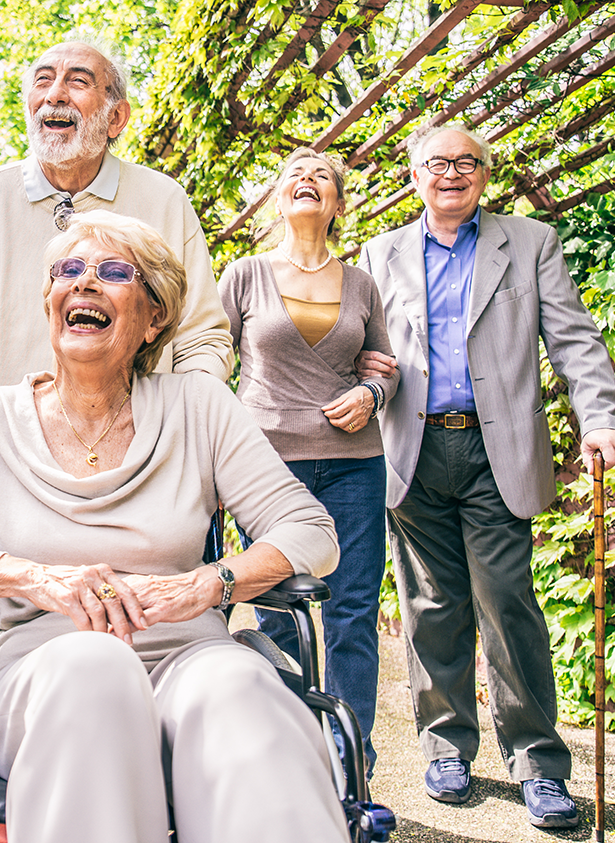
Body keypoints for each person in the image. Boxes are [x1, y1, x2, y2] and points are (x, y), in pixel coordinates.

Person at [0, 210, 346, 843]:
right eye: (68, 272)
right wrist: (31, 578)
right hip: (42, 672)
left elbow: (310, 530)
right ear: (49, 304)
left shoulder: (201, 408)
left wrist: (209, 585)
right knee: (97, 670)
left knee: (242, 686)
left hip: (189, 655)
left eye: (113, 272)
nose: (84, 285)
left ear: (154, 316)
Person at [358, 124, 615, 828]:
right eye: (436, 163)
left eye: (466, 162)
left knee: (508, 604)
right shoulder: (381, 252)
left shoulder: (529, 241)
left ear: (485, 172)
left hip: (495, 449)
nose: (451, 173)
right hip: (412, 448)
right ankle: (446, 745)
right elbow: (364, 350)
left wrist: (599, 414)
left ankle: (538, 761)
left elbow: (573, 336)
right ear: (414, 173)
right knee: (430, 606)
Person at [0, 38, 233, 451]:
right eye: (42, 81)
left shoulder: (164, 200)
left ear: (116, 117)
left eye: (78, 81)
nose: (54, 94)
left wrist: (191, 425)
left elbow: (201, 336)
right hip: (8, 452)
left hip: (140, 452)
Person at [218, 148, 398, 772]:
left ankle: (351, 763)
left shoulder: (362, 284)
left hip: (354, 463)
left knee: (351, 611)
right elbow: (211, 365)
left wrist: (372, 393)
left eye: (322, 175)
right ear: (278, 198)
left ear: (337, 203)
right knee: (278, 606)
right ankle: (289, 754)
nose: (307, 180)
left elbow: (386, 367)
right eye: (294, 173)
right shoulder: (244, 276)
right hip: (267, 466)